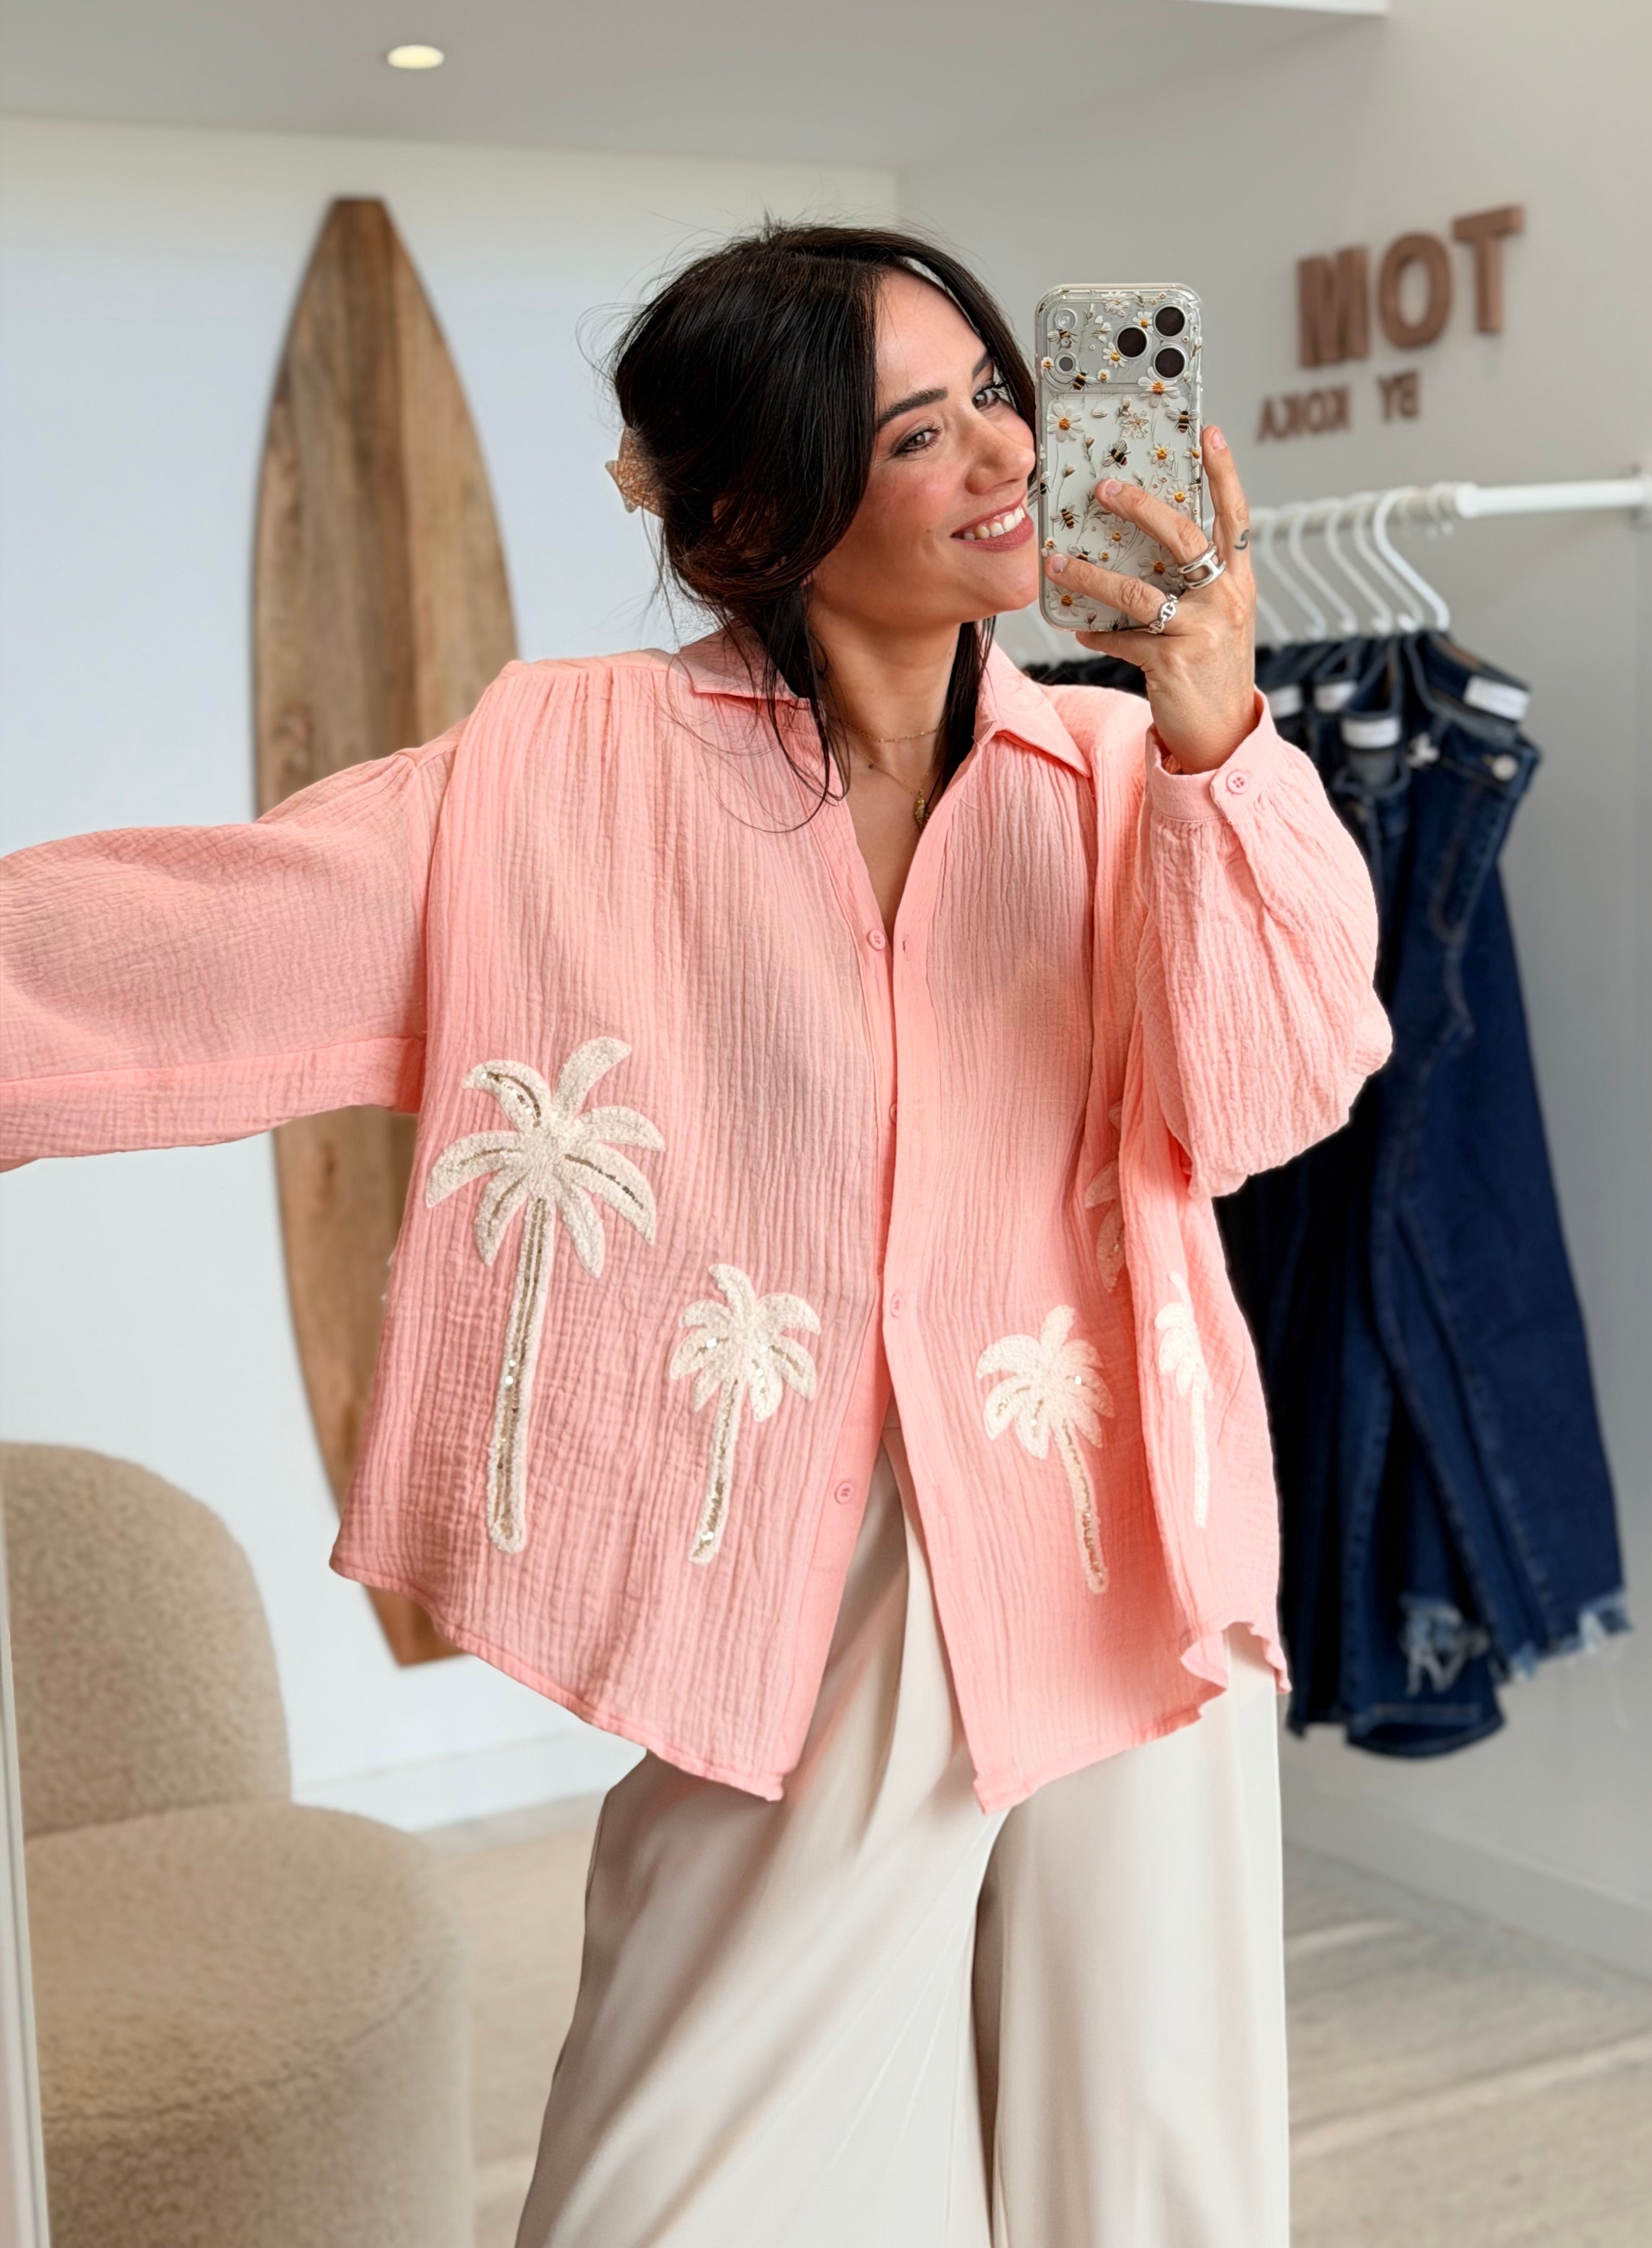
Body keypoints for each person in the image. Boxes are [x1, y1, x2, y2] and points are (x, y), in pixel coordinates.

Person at [0, 221, 1391, 2246]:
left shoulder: (1129, 770)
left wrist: (1212, 730)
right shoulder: (563, 775)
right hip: (814, 1585)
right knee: (684, 2193)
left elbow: (1274, 1095)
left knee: (1148, 2188)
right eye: (917, 432)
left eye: (998, 395)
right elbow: (194, 939)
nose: (1007, 454)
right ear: (755, 518)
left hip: (1129, 1557)